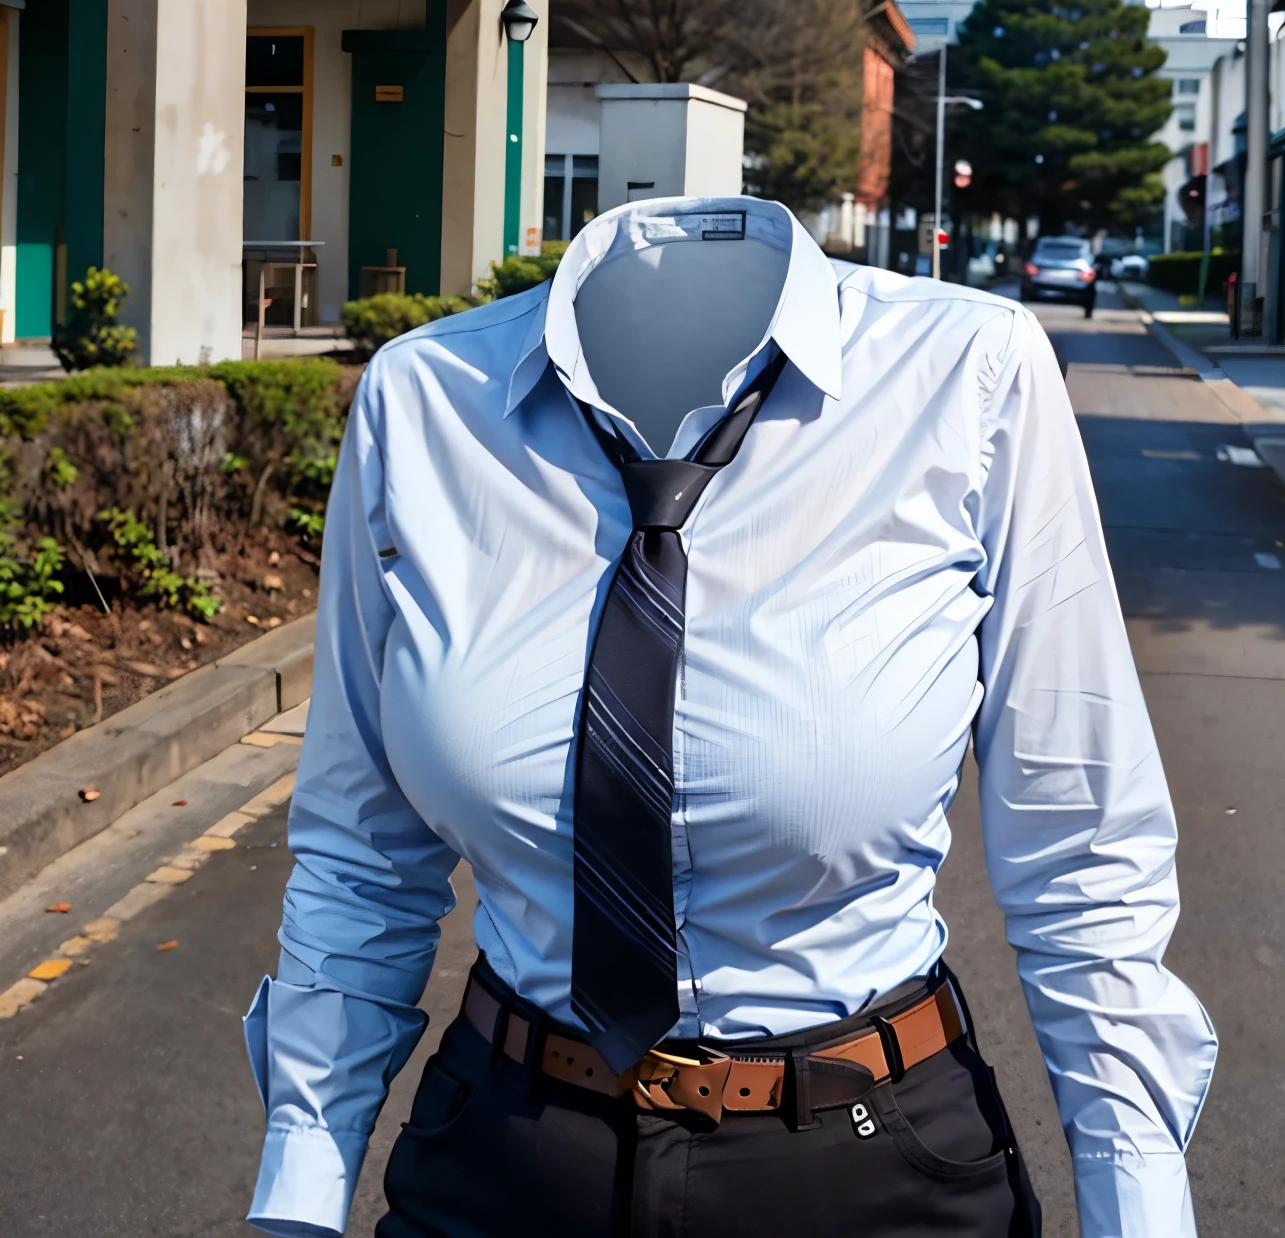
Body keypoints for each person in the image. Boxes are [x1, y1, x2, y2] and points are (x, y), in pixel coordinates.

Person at [244, 196, 1216, 1238]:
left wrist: (1139, 1208)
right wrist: (303, 1179)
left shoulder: (968, 374)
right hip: (509, 1153)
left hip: (865, 1165)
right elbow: (360, 846)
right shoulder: (428, 400)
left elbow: (1083, 848)